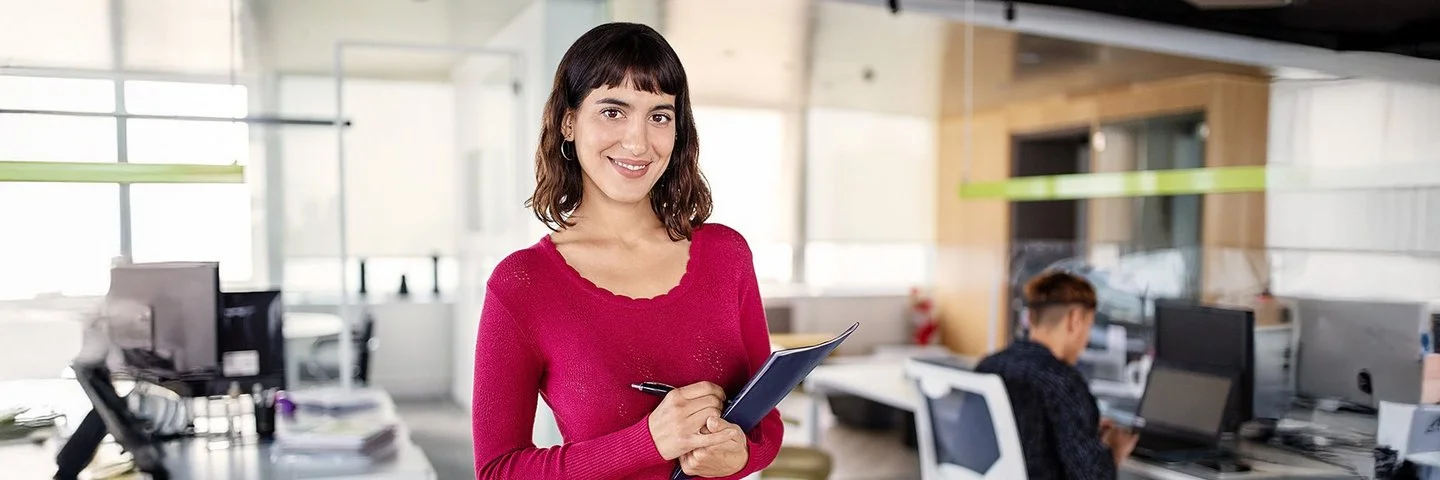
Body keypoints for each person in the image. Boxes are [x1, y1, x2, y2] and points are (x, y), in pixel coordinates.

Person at [470, 22, 783, 479]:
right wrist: (648, 442)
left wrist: (741, 457)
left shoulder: (727, 255)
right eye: (613, 111)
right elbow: (497, 471)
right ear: (568, 121)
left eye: (659, 115)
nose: (638, 142)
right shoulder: (522, 283)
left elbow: (765, 425)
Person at [974, 271, 1139, 480]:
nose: (1086, 340)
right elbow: (1094, 477)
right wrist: (1115, 449)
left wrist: (1081, 426)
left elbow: (1023, 433)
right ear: (1074, 319)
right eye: (1088, 326)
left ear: (1032, 318)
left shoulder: (988, 365)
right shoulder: (1063, 382)